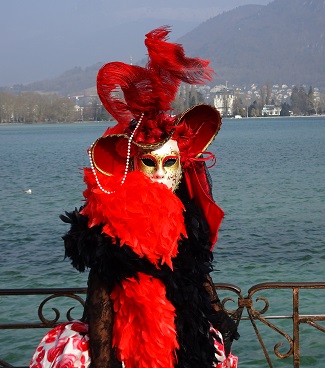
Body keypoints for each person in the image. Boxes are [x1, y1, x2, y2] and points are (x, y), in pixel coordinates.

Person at [30, 26, 238, 368]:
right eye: (149, 162)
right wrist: (103, 360)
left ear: (184, 164)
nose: (159, 173)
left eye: (169, 162)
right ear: (132, 163)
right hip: (132, 347)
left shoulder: (186, 215)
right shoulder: (113, 220)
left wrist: (217, 314)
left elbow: (193, 267)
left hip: (186, 340)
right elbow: (101, 296)